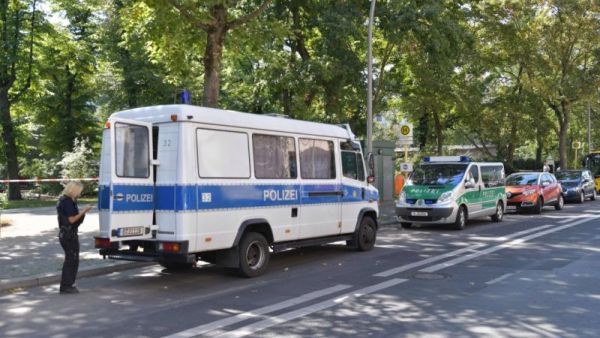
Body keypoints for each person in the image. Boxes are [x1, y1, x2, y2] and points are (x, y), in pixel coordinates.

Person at [56, 181, 92, 294]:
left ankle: (67, 284)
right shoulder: (67, 202)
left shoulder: (65, 200)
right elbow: (71, 220)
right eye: (79, 191)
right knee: (71, 260)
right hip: (69, 235)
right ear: (74, 190)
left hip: (66, 234)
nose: (80, 193)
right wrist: (84, 211)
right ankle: (67, 286)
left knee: (71, 259)